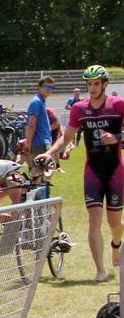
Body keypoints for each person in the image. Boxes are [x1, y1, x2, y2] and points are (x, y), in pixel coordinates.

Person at [39, 65, 124, 281]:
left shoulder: (118, 105)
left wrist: (117, 138)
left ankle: (116, 244)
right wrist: (50, 152)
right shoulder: (79, 109)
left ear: (105, 84)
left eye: (96, 84)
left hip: (115, 170)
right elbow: (67, 137)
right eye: (89, 84)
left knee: (115, 223)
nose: (93, 88)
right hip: (93, 171)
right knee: (94, 219)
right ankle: (100, 270)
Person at [23, 76, 56, 159]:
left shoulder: (41, 101)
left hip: (44, 141)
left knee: (44, 170)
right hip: (39, 143)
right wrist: (29, 143)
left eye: (51, 87)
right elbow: (31, 125)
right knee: (39, 170)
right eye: (46, 86)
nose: (49, 89)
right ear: (39, 88)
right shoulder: (36, 102)